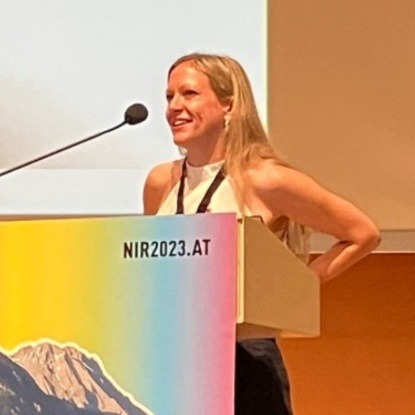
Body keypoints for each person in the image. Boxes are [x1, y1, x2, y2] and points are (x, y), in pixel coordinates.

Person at [143, 53, 380, 414]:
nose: (174, 107)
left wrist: (295, 288)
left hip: (245, 359)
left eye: (189, 94)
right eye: (169, 96)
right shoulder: (160, 181)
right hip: (176, 358)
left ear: (229, 104)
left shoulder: (264, 179)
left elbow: (362, 233)